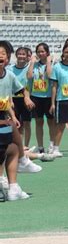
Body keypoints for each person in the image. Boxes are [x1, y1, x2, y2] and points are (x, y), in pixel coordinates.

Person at [0, 41, 30, 200]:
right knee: (9, 148)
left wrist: (12, 115)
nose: (0, 57)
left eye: (3, 54)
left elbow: (4, 100)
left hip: (3, 117)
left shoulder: (8, 75)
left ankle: (12, 186)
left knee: (10, 149)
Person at [27, 43, 55, 155]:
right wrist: (32, 63)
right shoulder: (34, 65)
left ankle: (52, 145)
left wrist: (48, 62)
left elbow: (49, 75)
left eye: (43, 51)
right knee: (39, 122)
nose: (40, 53)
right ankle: (40, 146)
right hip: (36, 97)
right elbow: (29, 77)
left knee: (51, 122)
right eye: (38, 51)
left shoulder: (53, 63)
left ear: (47, 53)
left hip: (48, 98)